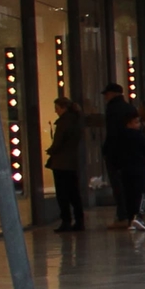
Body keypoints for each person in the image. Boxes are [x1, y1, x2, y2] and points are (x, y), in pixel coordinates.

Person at [102, 89, 145, 233]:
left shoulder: (111, 110)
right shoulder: (130, 109)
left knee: (124, 191)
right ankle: (138, 216)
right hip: (139, 167)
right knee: (140, 192)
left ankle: (127, 218)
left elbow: (111, 134)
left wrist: (110, 155)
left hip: (122, 163)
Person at [45, 97, 86, 232]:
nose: (55, 111)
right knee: (74, 193)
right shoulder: (76, 120)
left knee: (62, 193)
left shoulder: (64, 122)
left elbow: (58, 142)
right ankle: (79, 220)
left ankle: (66, 221)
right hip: (72, 162)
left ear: (63, 108)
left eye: (57, 108)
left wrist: (51, 151)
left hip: (61, 162)